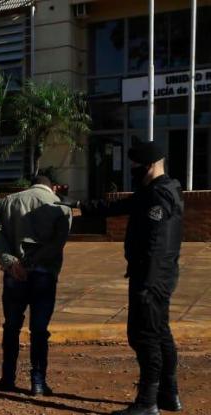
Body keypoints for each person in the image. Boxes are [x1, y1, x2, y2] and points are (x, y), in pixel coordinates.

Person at [60, 141, 183, 415]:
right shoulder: (158, 190)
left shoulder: (158, 196)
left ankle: (147, 403)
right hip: (160, 276)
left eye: (136, 167)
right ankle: (169, 394)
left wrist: (148, 286)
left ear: (149, 166)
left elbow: (157, 243)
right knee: (161, 333)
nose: (133, 171)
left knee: (144, 336)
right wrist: (80, 205)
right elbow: (118, 206)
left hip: (152, 278)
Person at [0, 175, 72, 396]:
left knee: (11, 326)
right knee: (39, 330)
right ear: (51, 186)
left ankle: (7, 378)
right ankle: (37, 382)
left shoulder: (9, 201)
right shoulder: (60, 206)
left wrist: (11, 262)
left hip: (14, 275)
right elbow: (57, 243)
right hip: (44, 275)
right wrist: (33, 262)